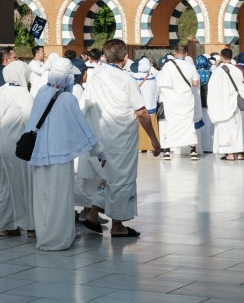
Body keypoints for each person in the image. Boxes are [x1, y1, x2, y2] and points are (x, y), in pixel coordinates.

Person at [82, 39, 160, 238]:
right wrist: (153, 138)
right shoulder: (126, 80)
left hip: (101, 136)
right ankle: (117, 225)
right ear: (125, 57)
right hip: (121, 139)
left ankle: (92, 215)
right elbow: (141, 112)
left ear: (105, 56)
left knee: (107, 177)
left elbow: (87, 104)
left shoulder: (95, 76)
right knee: (122, 180)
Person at [29, 57, 106, 251]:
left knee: (43, 197)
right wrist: (100, 152)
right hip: (60, 157)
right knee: (60, 197)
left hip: (39, 155)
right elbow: (83, 128)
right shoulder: (67, 98)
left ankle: (45, 236)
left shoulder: (42, 92)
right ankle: (59, 238)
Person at [0, 60, 35, 238]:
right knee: (23, 185)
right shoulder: (23, 94)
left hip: (1, 143)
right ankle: (31, 226)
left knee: (4, 185)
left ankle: (4, 225)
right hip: (17, 146)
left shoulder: (4, 91)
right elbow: (31, 121)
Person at [156, 45, 201, 159]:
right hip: (186, 99)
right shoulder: (190, 66)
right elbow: (196, 84)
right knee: (188, 123)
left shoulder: (168, 65)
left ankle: (167, 151)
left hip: (171, 99)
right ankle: (193, 151)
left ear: (175, 53)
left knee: (170, 123)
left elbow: (161, 82)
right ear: (186, 54)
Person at [208, 49, 244, 162]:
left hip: (222, 105)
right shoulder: (237, 70)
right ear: (232, 57)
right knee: (237, 129)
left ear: (221, 57)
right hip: (235, 104)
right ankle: (240, 154)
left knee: (225, 129)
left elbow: (213, 90)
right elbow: (242, 86)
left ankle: (230, 154)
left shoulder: (217, 72)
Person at [131, 58, 160, 153]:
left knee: (141, 125)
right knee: (151, 125)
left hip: (140, 106)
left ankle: (141, 146)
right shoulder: (153, 76)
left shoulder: (134, 77)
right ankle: (151, 146)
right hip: (151, 104)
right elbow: (157, 90)